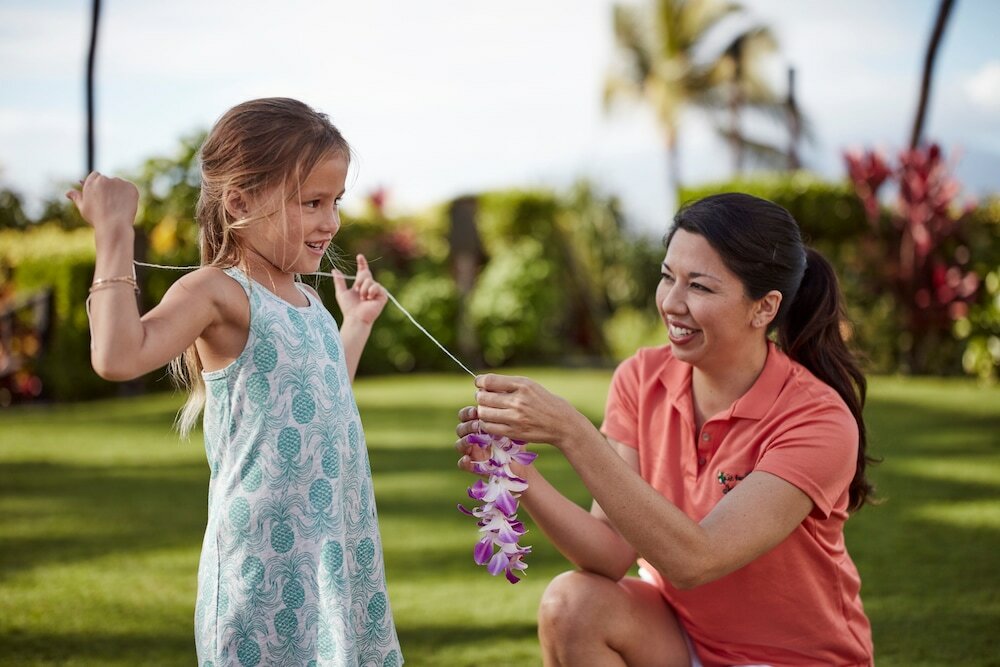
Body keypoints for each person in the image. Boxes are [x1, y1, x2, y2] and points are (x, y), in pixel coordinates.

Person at [456, 193, 876, 667]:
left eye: (699, 286)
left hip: (796, 659)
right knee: (571, 605)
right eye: (667, 276)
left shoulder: (816, 418)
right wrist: (515, 473)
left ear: (764, 308)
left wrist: (571, 431)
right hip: (681, 639)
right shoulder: (641, 378)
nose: (672, 304)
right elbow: (611, 553)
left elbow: (697, 562)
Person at [68, 97, 403, 666]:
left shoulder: (309, 301)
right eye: (313, 202)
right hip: (264, 564)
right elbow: (118, 356)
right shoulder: (217, 291)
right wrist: (114, 232)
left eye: (336, 201)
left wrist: (356, 326)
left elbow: (320, 400)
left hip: (335, 551)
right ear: (241, 203)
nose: (331, 222)